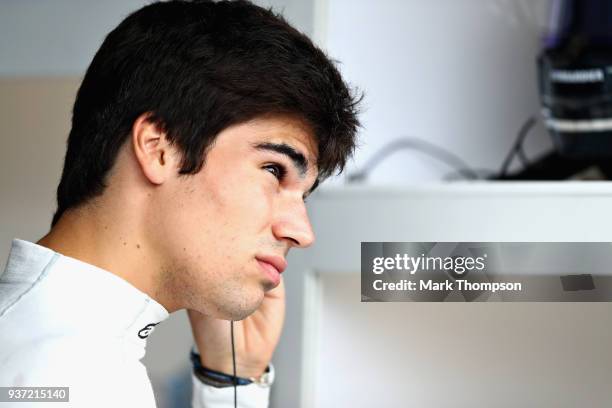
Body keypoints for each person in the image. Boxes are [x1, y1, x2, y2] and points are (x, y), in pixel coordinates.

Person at [0, 0, 360, 407]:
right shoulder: (62, 375)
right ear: (159, 149)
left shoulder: (77, 360)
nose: (301, 232)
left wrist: (231, 382)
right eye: (275, 171)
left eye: (304, 195)